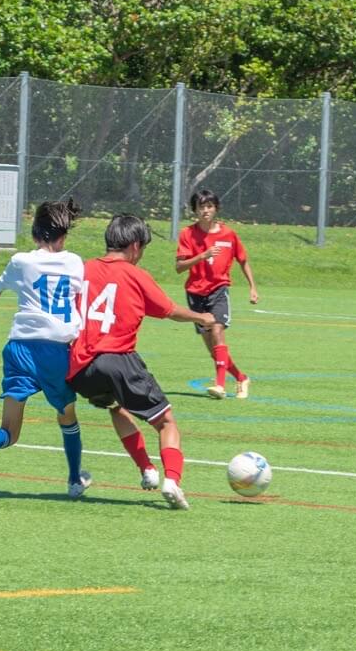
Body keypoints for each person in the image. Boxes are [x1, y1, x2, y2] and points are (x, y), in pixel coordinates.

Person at [68, 214, 218, 510]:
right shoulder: (135, 274)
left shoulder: (83, 269)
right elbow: (170, 310)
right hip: (118, 360)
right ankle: (172, 481)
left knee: (115, 406)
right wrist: (202, 317)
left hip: (80, 368)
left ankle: (147, 469)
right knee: (166, 422)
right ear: (135, 246)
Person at [0, 200, 91, 496]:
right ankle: (74, 480)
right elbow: (80, 297)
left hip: (19, 348)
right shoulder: (75, 262)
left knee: (10, 430)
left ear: (34, 234)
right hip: (55, 351)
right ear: (63, 236)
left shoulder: (21, 261)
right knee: (67, 416)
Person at [174, 188, 259, 400]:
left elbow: (243, 260)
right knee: (214, 349)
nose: (205, 210)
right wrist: (202, 256)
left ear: (216, 209)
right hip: (195, 293)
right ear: (195, 210)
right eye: (201, 207)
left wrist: (253, 287)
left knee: (218, 330)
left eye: (209, 206)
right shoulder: (187, 234)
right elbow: (179, 267)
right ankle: (241, 378)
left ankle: (220, 386)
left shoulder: (228, 234)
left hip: (219, 290)